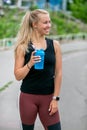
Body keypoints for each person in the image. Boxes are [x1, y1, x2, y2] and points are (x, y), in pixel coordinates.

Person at [14, 9, 62, 130]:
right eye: (45, 22)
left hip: (48, 97)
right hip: (28, 98)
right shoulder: (23, 47)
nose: (49, 25)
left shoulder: (54, 45)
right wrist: (30, 63)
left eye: (49, 22)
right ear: (34, 24)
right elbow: (18, 75)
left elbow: (59, 73)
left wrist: (55, 98)